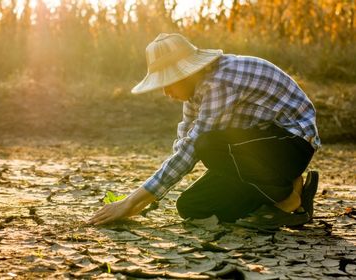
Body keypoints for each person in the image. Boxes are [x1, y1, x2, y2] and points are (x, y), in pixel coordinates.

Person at [88, 33, 320, 230]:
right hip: (258, 147)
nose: (166, 92)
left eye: (169, 83)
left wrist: (130, 202)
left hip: (292, 143)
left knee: (209, 145)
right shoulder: (194, 91)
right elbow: (184, 140)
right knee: (192, 206)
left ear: (187, 72)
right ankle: (283, 195)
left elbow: (192, 148)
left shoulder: (219, 82)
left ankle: (288, 195)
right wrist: (149, 198)